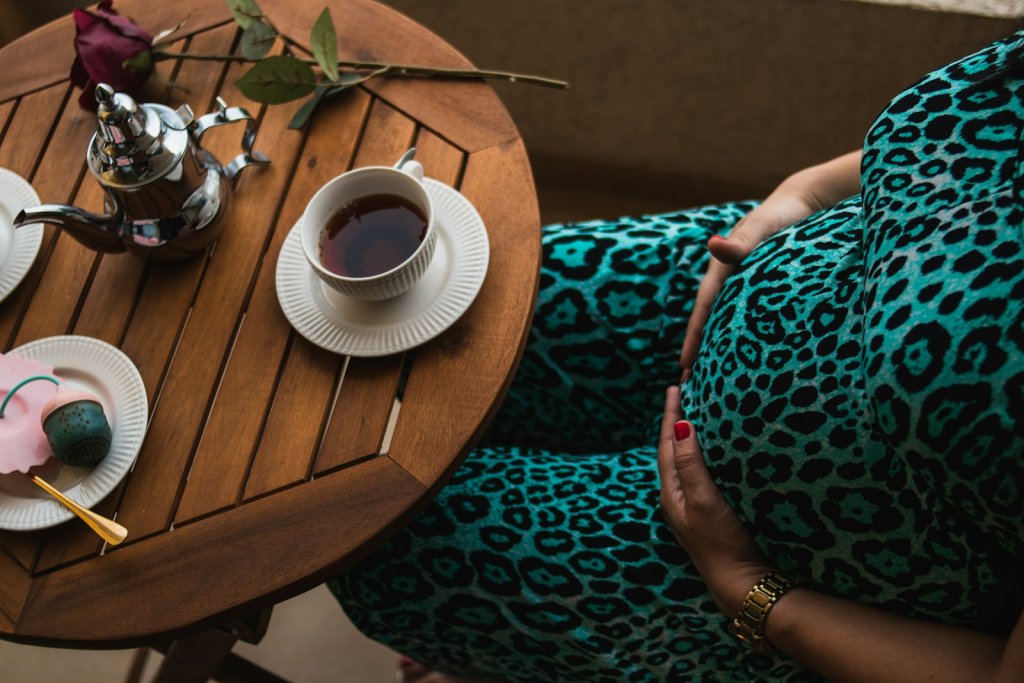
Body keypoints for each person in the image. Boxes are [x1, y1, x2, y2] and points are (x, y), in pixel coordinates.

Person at [328, 28, 1024, 682]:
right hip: (740, 278)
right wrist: (801, 195)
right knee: (434, 315)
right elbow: (940, 139)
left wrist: (752, 591)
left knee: (378, 547)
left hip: (782, 545)